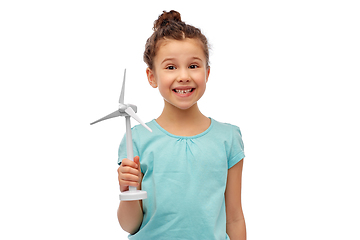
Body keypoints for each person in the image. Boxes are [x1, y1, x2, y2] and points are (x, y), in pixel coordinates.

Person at [117, 10, 246, 240]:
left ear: (207, 73)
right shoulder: (136, 139)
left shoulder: (228, 138)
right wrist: (128, 190)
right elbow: (130, 225)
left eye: (193, 66)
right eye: (170, 67)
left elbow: (234, 217)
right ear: (151, 76)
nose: (184, 76)